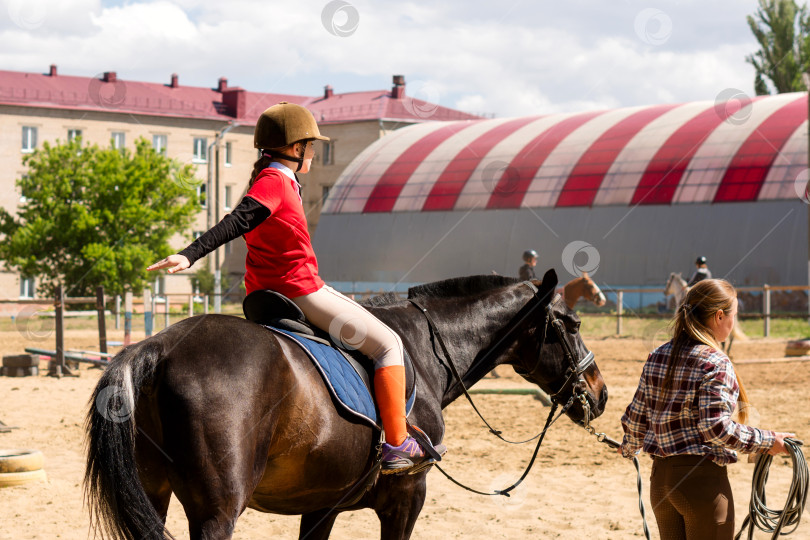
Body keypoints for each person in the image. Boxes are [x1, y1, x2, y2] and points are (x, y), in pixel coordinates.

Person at [148, 102, 432, 474]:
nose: (314, 151)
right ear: (295, 148)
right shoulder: (276, 182)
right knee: (387, 344)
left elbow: (241, 218)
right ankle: (396, 443)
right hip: (300, 290)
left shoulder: (269, 178)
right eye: (310, 145)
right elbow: (238, 220)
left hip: (263, 294)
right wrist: (190, 254)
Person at [619, 278, 794, 539]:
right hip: (701, 484)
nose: (734, 323)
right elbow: (715, 429)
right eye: (734, 315)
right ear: (719, 316)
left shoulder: (657, 355)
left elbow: (636, 418)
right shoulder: (715, 361)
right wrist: (767, 440)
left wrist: (629, 447)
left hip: (661, 484)